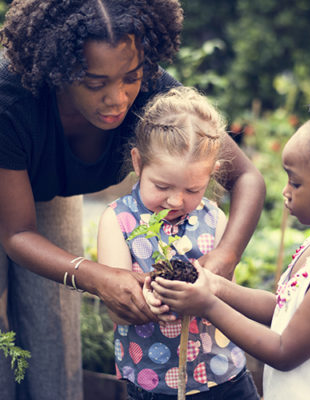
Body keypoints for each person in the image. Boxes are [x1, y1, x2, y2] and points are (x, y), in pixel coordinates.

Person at [0, 1, 265, 399]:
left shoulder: (152, 90)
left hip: (54, 187)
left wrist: (223, 259)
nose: (118, 99)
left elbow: (248, 178)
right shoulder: (0, 102)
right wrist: (96, 275)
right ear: (58, 73)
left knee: (53, 325)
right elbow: (16, 234)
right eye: (96, 84)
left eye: (129, 78)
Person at [150, 81, 310, 399]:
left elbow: (284, 351)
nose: (285, 191)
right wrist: (216, 286)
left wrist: (207, 305)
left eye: (295, 182)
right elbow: (282, 310)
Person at [97, 86, 261, 399]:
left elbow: (228, 293)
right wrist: (148, 301)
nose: (175, 200)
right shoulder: (118, 220)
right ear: (138, 163)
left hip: (224, 376)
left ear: (212, 175)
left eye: (193, 189)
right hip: (155, 382)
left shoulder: (214, 219)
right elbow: (117, 307)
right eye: (162, 186)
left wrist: (209, 291)